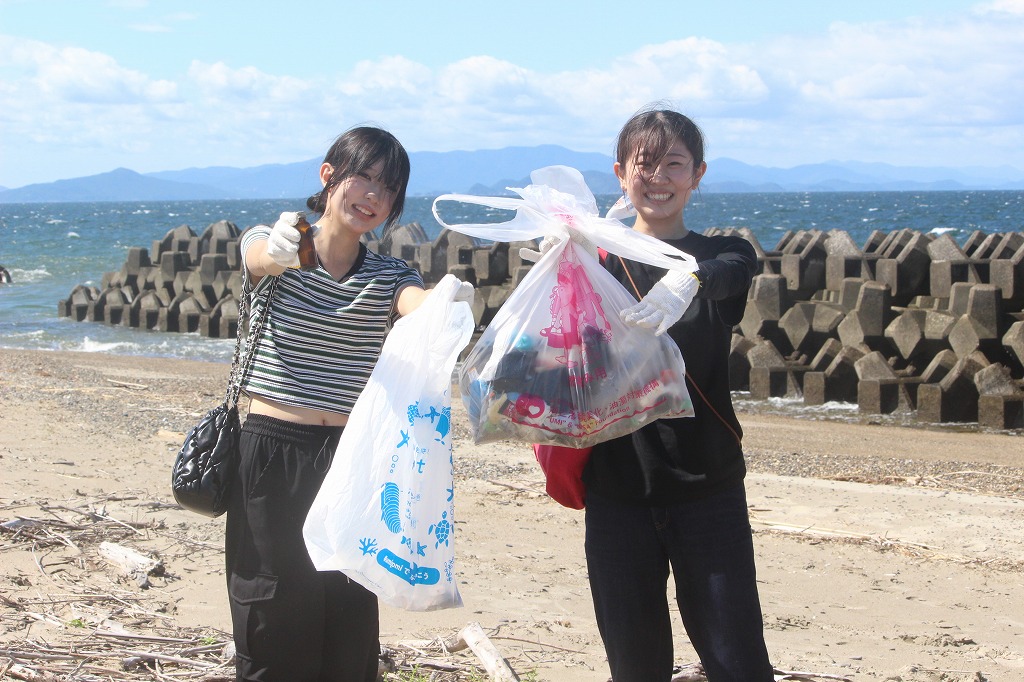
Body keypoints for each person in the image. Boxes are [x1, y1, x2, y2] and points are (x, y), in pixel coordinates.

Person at [228, 125, 473, 682]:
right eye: (363, 176)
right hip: (271, 453)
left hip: (353, 458)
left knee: (347, 621)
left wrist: (449, 301)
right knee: (270, 614)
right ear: (329, 176)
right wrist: (278, 250)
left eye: (388, 188)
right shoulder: (277, 241)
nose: (373, 195)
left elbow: (417, 303)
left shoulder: (389, 275)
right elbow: (258, 258)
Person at [581, 107, 775, 681]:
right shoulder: (595, 261)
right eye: (643, 164)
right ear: (620, 173)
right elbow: (552, 351)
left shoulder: (722, 253)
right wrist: (560, 265)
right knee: (634, 665)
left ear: (698, 174)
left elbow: (733, 270)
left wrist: (691, 278)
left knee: (738, 659)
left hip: (707, 488)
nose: (658, 178)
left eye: (674, 164)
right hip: (616, 488)